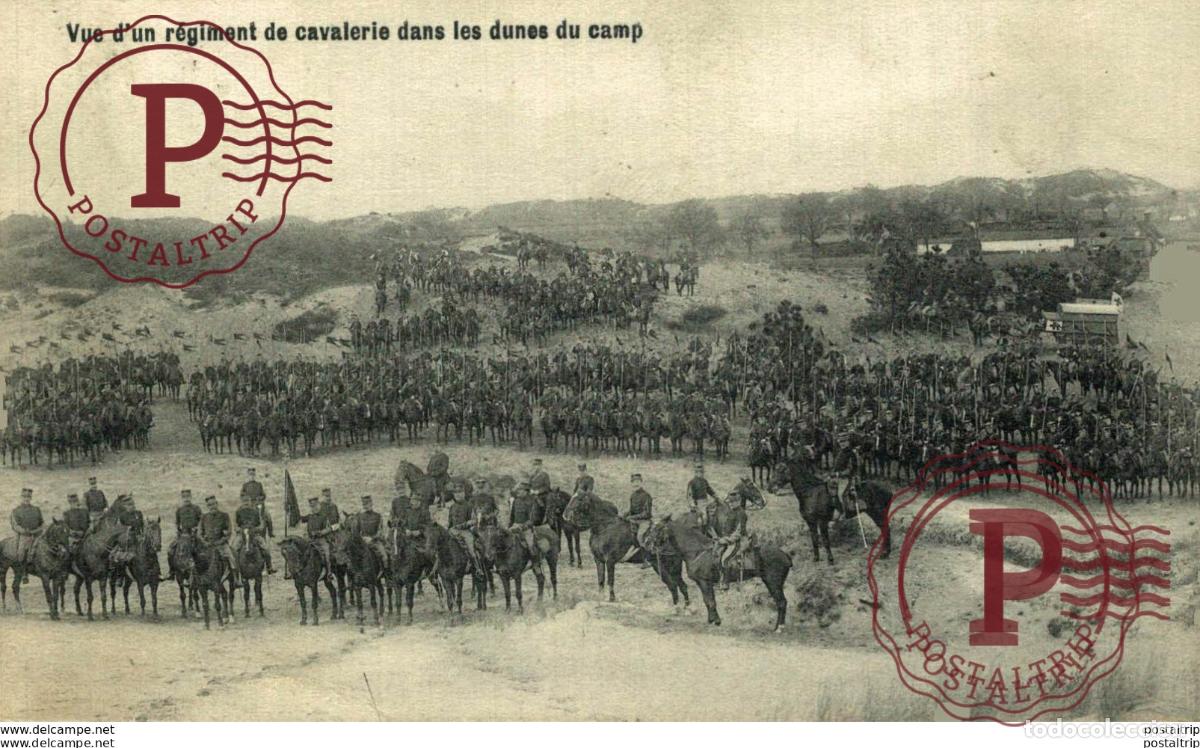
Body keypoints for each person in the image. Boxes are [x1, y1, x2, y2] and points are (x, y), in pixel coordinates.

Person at [199, 495, 240, 585]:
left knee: (231, 557)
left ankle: (236, 579)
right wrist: (205, 542)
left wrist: (222, 541)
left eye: (213, 504)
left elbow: (229, 531)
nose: (212, 506)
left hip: (221, 544)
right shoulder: (204, 517)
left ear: (217, 504)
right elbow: (200, 533)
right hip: (208, 545)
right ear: (207, 506)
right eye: (209, 505)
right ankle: (198, 580)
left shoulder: (224, 516)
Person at [233, 493, 276, 575]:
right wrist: (239, 529)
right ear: (241, 501)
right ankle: (235, 571)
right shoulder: (238, 511)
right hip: (242, 534)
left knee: (265, 548)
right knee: (234, 549)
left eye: (247, 501)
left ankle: (269, 567)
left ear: (250, 501)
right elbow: (235, 525)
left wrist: (255, 529)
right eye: (244, 501)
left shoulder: (255, 511)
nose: (246, 503)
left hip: (254, 534)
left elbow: (261, 525)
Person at [508, 478, 544, 571]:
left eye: (520, 490)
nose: (518, 492)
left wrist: (524, 526)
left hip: (526, 528)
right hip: (514, 526)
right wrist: (509, 527)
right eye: (518, 490)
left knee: (531, 545)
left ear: (526, 491)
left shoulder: (532, 502)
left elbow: (533, 519)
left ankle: (536, 565)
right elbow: (512, 516)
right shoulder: (516, 501)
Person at [10, 488, 43, 582]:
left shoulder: (36, 509)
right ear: (21, 497)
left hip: (37, 534)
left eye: (28, 497)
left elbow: (42, 523)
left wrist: (37, 530)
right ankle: (24, 573)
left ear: (31, 498)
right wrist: (24, 531)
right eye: (24, 497)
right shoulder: (16, 510)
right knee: (22, 552)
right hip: (25, 536)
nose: (26, 499)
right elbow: (14, 525)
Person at [446, 489, 482, 576]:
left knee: (471, 549)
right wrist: (448, 528)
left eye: (460, 493)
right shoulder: (452, 507)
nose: (458, 495)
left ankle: (478, 568)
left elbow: (474, 520)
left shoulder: (469, 506)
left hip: (465, 531)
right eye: (456, 493)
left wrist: (463, 525)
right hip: (452, 531)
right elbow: (449, 521)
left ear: (464, 494)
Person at [168, 489, 202, 566]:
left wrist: (197, 528)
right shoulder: (179, 510)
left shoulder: (196, 508)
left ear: (191, 497)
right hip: (183, 535)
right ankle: (172, 571)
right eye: (184, 497)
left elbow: (201, 521)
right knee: (170, 550)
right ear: (182, 498)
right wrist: (177, 530)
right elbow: (176, 523)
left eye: (188, 496)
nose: (186, 498)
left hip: (195, 535)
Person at [623, 474, 654, 557]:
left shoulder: (646, 496)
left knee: (640, 536)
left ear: (641, 483)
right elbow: (632, 510)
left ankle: (647, 558)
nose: (635, 484)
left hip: (644, 521)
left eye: (638, 482)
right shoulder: (633, 496)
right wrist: (625, 514)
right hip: (634, 521)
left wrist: (632, 517)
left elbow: (647, 513)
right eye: (633, 482)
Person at [302, 497, 334, 574]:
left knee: (327, 553)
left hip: (321, 539)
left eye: (315, 505)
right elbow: (300, 520)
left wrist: (320, 532)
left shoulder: (323, 516)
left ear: (318, 505)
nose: (314, 508)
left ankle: (329, 572)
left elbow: (328, 528)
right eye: (312, 506)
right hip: (310, 539)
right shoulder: (310, 516)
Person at [357, 496, 388, 565]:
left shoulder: (377, 516)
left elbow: (380, 531)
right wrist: (361, 538)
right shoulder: (360, 516)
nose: (366, 506)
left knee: (385, 557)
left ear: (371, 503)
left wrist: (372, 538)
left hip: (374, 541)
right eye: (364, 504)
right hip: (363, 542)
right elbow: (357, 531)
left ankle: (385, 574)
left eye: (367, 504)